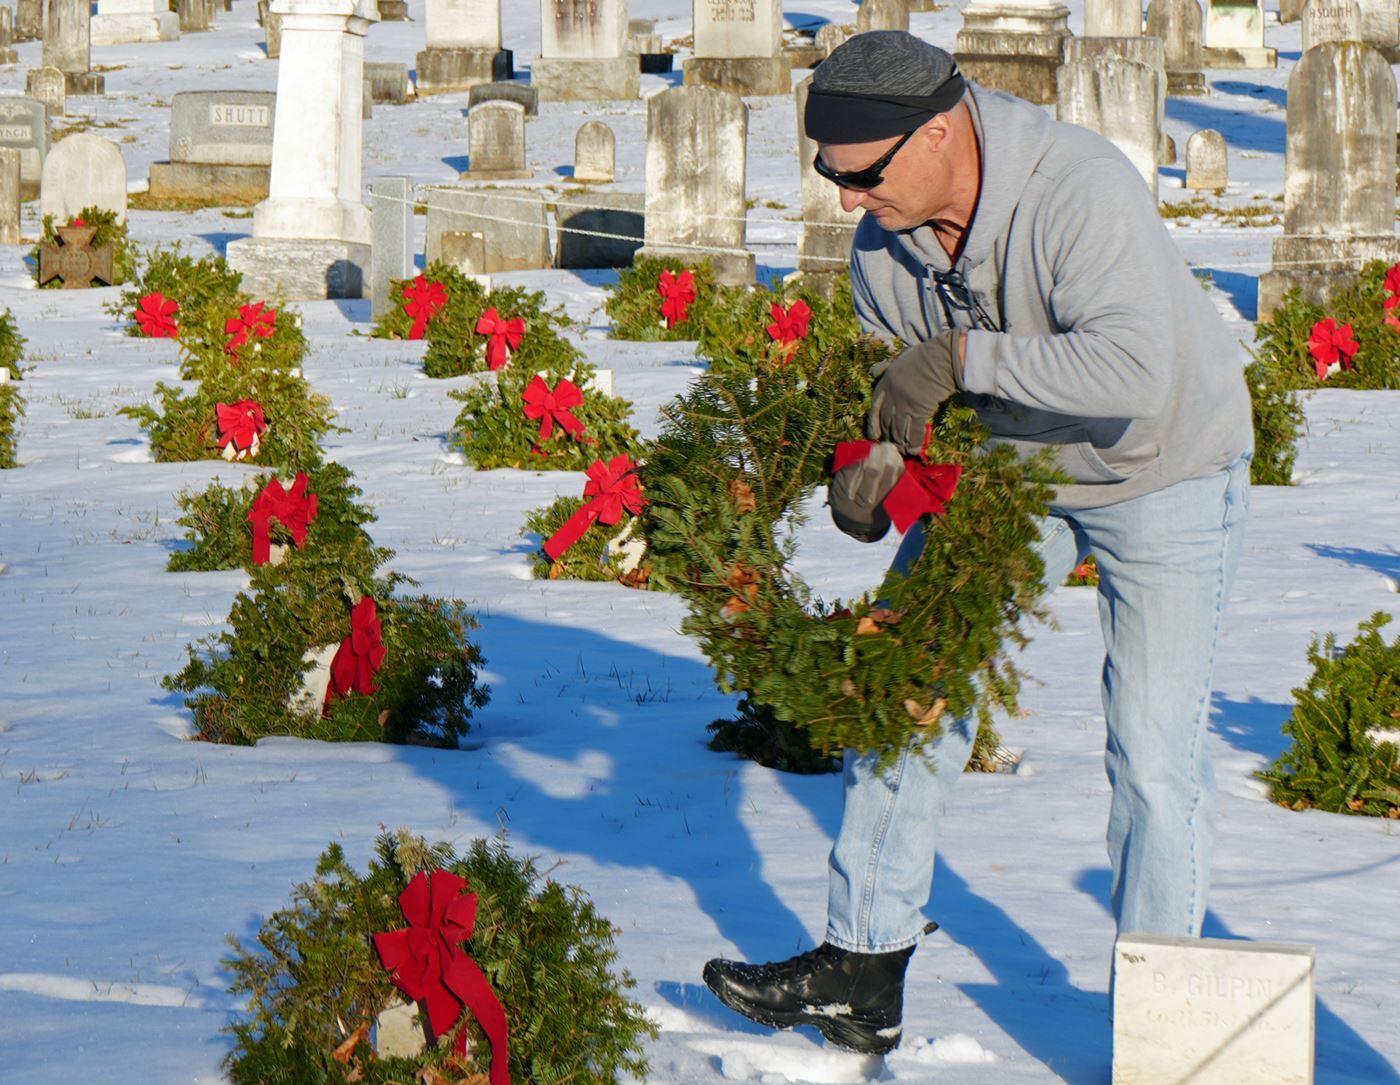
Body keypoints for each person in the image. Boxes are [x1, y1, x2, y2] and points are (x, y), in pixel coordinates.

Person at [702, 31, 1253, 1056]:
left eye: (861, 174)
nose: (844, 200)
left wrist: (954, 358)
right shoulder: (884, 248)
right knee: (906, 684)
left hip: (1164, 465)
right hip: (1017, 478)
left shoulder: (1078, 188)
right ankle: (860, 965)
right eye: (830, 173)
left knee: (1151, 755)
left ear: (940, 132)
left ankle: (1164, 1029)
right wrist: (882, 467)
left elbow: (1131, 372)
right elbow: (927, 405)